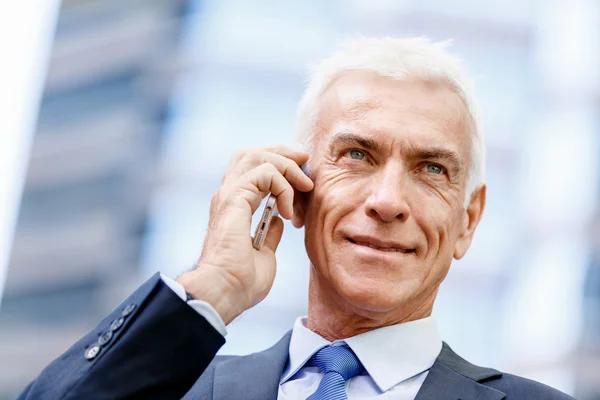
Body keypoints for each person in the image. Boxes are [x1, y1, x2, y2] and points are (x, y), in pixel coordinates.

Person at [17, 37, 573, 400]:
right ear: (297, 188)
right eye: (357, 154)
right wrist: (214, 286)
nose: (387, 199)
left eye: (430, 168)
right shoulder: (175, 386)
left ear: (468, 220)